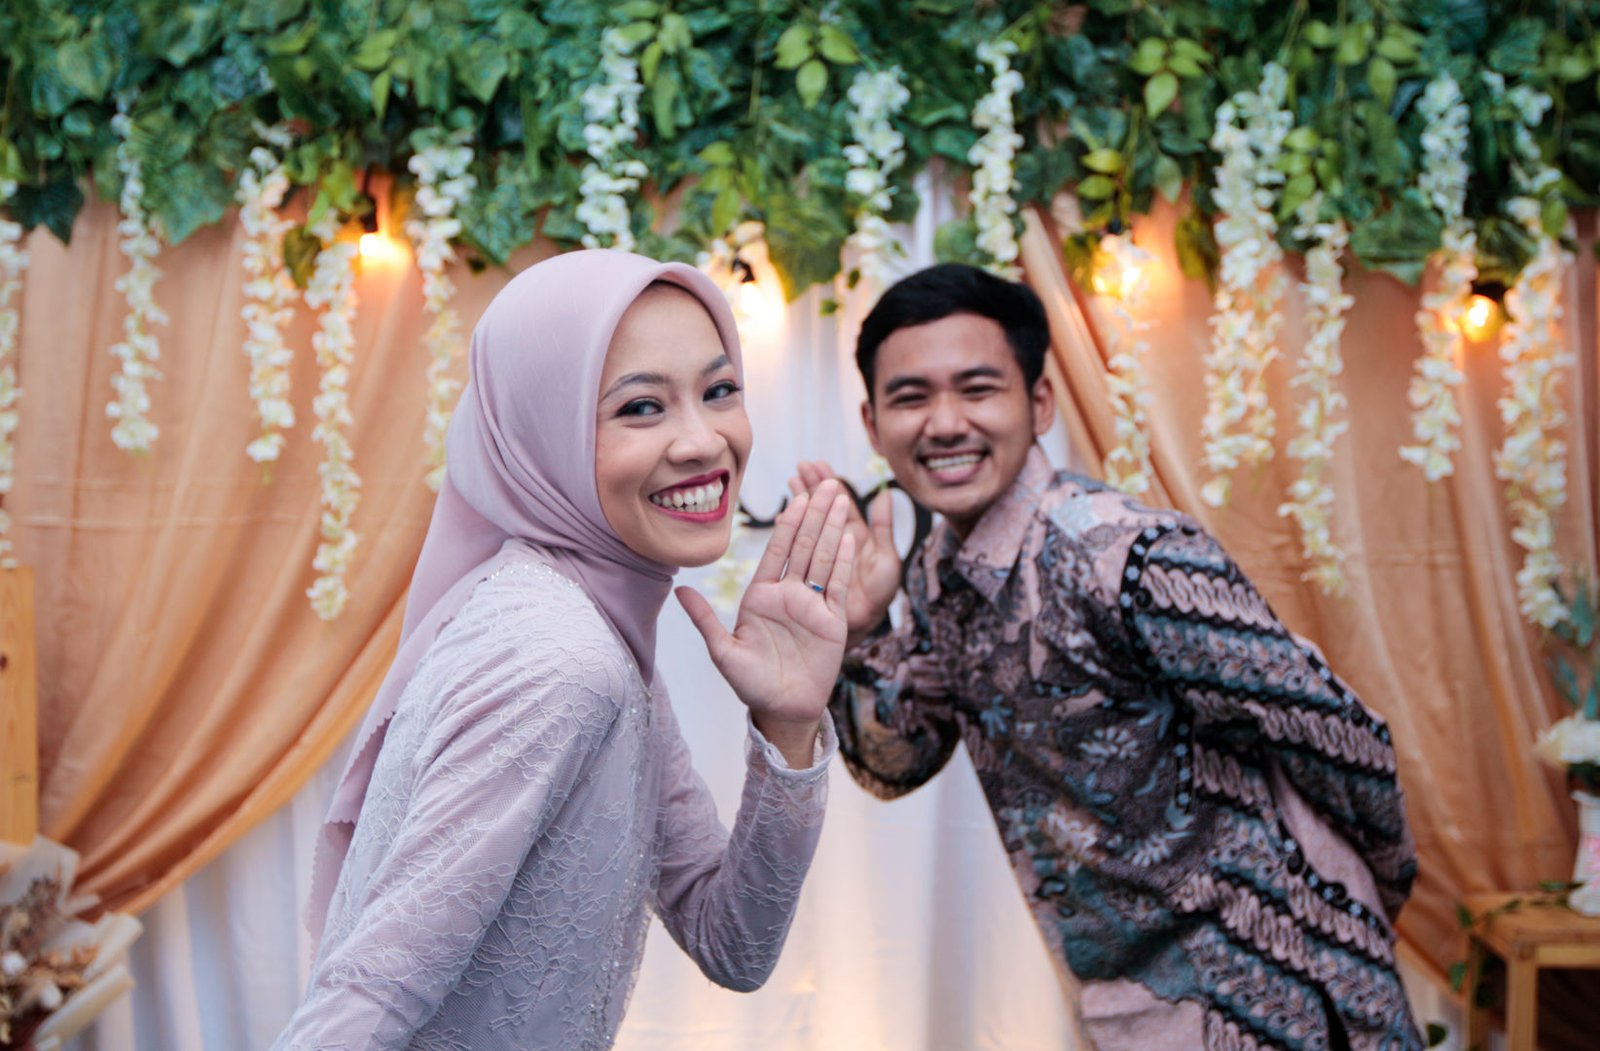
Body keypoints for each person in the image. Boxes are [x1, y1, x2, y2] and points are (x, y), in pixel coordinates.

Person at [793, 263, 1422, 1051]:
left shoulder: (1129, 555)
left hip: (1283, 996)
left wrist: (1370, 898)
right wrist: (862, 630)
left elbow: (1339, 734)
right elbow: (898, 761)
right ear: (872, 421)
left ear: (1040, 402)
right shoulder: (933, 574)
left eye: (978, 388)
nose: (944, 422)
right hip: (1123, 1005)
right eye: (911, 396)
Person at [273, 250, 856, 1050]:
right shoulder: (557, 660)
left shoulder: (589, 625)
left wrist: (788, 726)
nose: (702, 440)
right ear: (540, 433)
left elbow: (733, 943)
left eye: (719, 391)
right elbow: (365, 1000)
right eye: (641, 407)